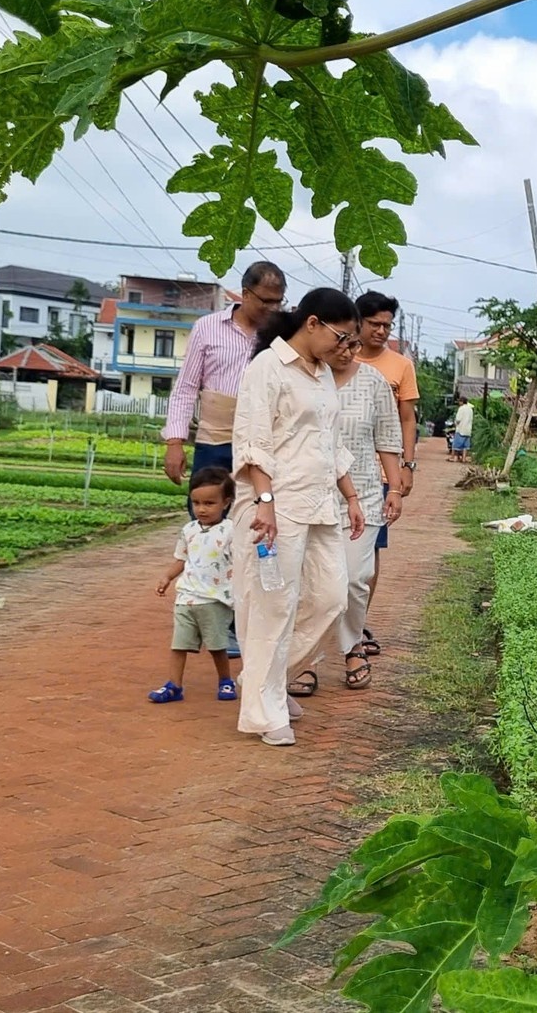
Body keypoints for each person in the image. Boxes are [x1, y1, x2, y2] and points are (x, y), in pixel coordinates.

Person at [230, 288, 368, 747]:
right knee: (274, 607)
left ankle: (266, 680)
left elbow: (331, 442)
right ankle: (266, 711)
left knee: (331, 597)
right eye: (342, 337)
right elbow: (253, 442)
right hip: (279, 506)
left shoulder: (323, 374)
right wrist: (264, 503)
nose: (346, 348)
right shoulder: (266, 369)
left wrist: (350, 495)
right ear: (312, 323)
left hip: (321, 503)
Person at [162, 260, 288, 494]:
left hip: (264, 444)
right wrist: (175, 442)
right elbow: (186, 388)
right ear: (246, 294)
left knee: (256, 516)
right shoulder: (207, 327)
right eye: (266, 301)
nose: (272, 308)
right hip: (214, 442)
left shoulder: (284, 336)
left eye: (278, 301)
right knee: (208, 514)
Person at [326, 345, 405, 689]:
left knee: (356, 577)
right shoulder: (305, 376)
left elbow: (388, 437)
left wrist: (396, 489)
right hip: (311, 495)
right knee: (309, 583)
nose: (345, 350)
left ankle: (352, 644)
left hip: (366, 495)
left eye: (351, 343)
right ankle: (305, 660)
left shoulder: (374, 381)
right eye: (338, 340)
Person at [349, 290, 420, 648]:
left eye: (386, 326)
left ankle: (358, 625)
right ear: (357, 322)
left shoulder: (400, 366)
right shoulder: (338, 358)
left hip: (378, 472)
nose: (380, 331)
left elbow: (407, 418)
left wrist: (406, 467)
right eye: (374, 324)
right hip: (338, 466)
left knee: (368, 552)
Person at [149, 467, 238, 704]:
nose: (202, 509)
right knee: (179, 645)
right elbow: (182, 558)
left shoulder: (230, 530)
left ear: (226, 502)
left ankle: (225, 681)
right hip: (186, 597)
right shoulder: (189, 530)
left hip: (215, 599)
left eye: (210, 503)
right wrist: (168, 577)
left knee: (218, 645)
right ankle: (174, 685)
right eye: (196, 503)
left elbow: (240, 560)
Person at [451, 395, 474, 463]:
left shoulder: (461, 409)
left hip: (461, 429)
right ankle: (464, 458)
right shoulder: (470, 409)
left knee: (457, 445)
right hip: (468, 430)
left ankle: (455, 458)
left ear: (461, 402)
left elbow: (458, 419)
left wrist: (455, 424)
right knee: (465, 446)